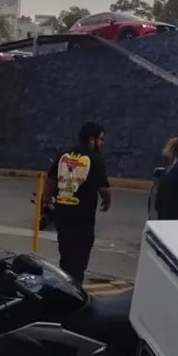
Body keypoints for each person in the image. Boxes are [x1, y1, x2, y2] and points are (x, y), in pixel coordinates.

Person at [42, 121, 111, 284]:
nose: (102, 143)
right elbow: (104, 189)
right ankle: (74, 291)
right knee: (79, 259)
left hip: (62, 214)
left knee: (66, 255)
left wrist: (47, 198)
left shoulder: (63, 155)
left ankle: (64, 284)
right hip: (82, 219)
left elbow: (51, 178)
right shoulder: (95, 159)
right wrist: (107, 202)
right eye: (101, 139)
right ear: (92, 139)